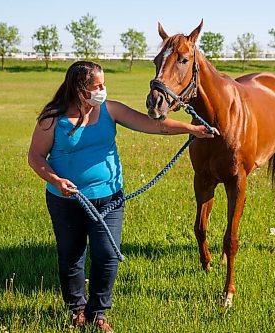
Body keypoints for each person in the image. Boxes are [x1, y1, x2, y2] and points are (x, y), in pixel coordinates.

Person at [28, 61, 217, 332]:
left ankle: (98, 314)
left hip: (110, 198)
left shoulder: (110, 109)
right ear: (80, 89)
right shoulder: (52, 119)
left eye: (104, 84)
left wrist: (193, 130)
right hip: (65, 200)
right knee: (71, 256)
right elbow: (35, 156)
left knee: (107, 255)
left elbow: (156, 126)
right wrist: (56, 180)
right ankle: (76, 310)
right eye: (98, 86)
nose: (103, 90)